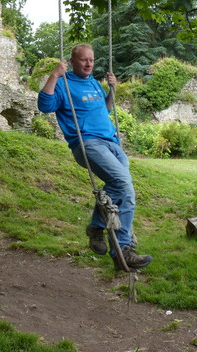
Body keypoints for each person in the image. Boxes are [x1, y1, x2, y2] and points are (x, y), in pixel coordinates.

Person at [37, 44, 152, 271]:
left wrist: (112, 91)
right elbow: (44, 105)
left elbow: (105, 109)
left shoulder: (93, 83)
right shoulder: (63, 84)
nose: (89, 64)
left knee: (124, 191)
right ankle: (123, 251)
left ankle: (97, 228)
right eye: (83, 60)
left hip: (112, 143)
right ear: (72, 61)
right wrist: (53, 75)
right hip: (88, 143)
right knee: (124, 186)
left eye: (91, 60)